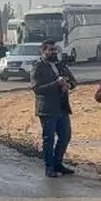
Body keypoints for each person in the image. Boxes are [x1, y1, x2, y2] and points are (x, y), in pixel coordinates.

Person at [30, 39, 77, 178]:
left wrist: (68, 85)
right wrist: (56, 83)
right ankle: (49, 167)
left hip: (62, 107)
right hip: (47, 109)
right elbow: (37, 89)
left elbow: (73, 81)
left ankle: (58, 163)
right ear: (43, 51)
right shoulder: (38, 67)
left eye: (54, 50)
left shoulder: (60, 65)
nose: (53, 52)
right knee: (49, 139)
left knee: (65, 136)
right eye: (50, 50)